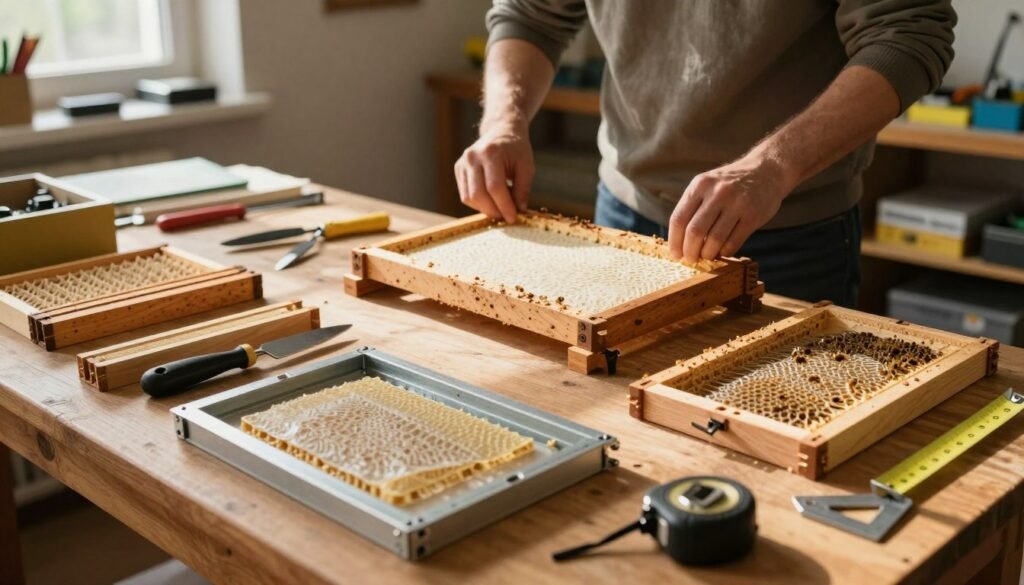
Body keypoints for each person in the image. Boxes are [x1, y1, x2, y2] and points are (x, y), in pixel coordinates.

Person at [455, 1, 956, 307]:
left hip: (786, 233)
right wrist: (502, 124)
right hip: (622, 212)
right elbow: (529, 15)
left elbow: (908, 33)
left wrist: (771, 166)